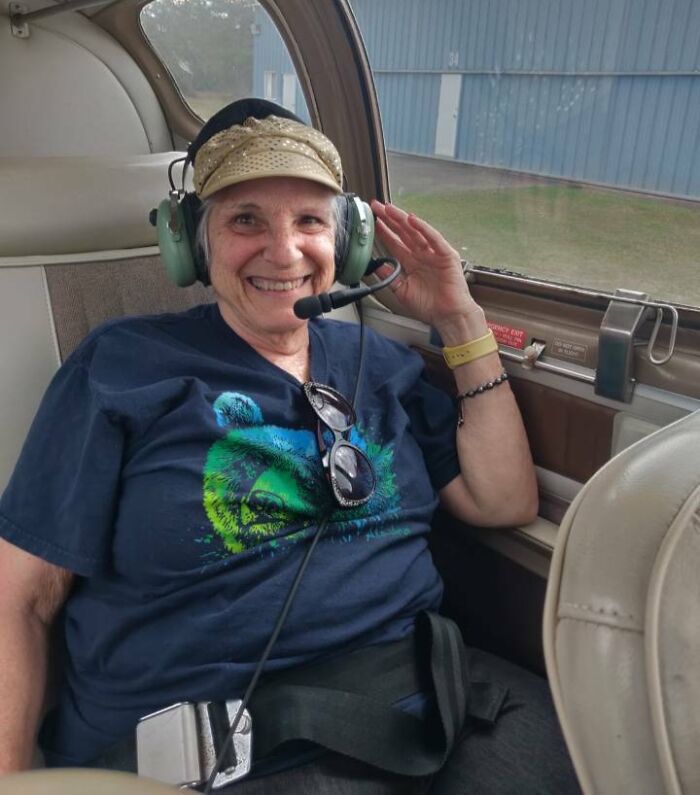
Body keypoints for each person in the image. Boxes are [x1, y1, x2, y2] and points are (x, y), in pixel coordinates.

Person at [0, 99, 579, 793]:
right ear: (191, 241)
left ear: (347, 241)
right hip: (229, 746)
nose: (284, 250)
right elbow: (21, 599)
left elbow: (503, 499)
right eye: (245, 219)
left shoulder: (379, 361)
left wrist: (460, 317)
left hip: (440, 705)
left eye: (309, 220)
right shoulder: (121, 367)